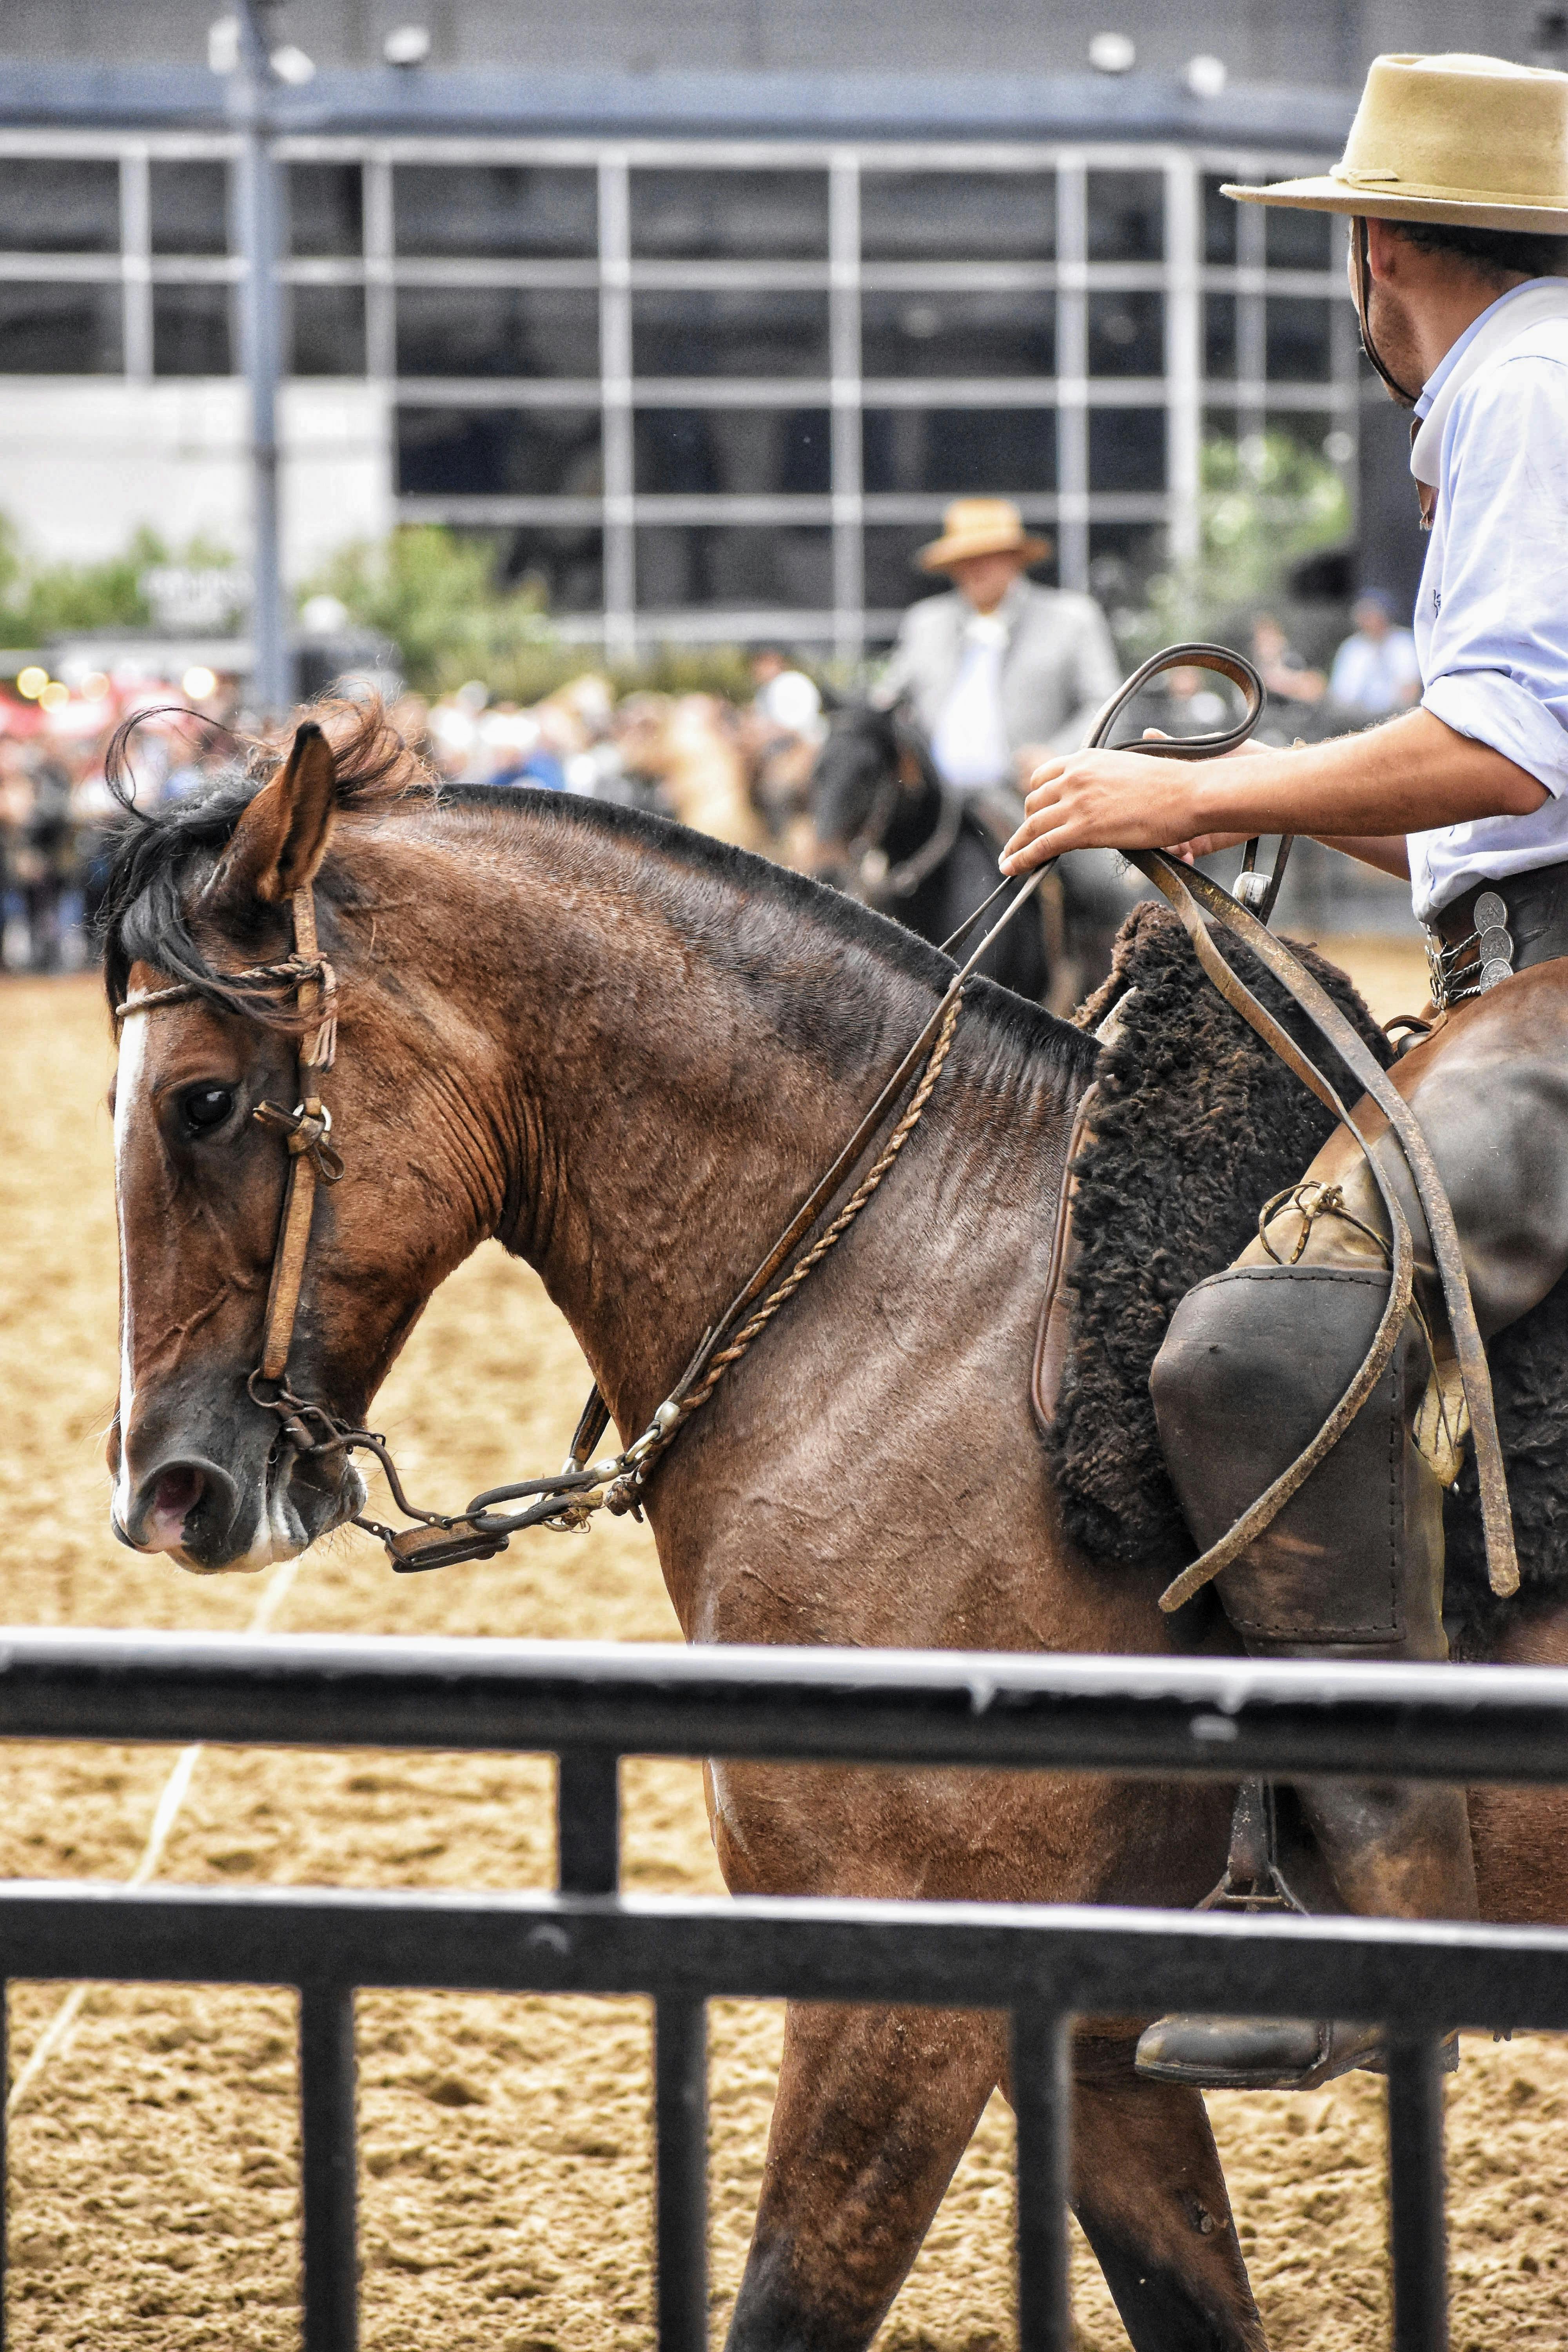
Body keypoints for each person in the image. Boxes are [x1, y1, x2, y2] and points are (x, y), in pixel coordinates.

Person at [1001, 49, 1568, 2091]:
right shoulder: (1517, 379)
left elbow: (1513, 753)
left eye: (1347, 231)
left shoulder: (1519, 380)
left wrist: (1224, 775)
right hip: (1521, 959)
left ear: (1378, 242)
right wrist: (1206, 806)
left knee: (1251, 1353)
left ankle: (1366, 1921)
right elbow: (1476, 815)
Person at [877, 498, 1121, 795]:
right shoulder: (925, 624)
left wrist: (1058, 757)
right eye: (963, 559)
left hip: (1033, 803)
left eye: (986, 556)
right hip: (938, 809)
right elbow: (887, 703)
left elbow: (1108, 707)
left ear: (1015, 559)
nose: (973, 569)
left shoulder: (1071, 620)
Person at [1328, 586, 1423, 717]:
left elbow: (1411, 689)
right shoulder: (1352, 648)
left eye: (1373, 613)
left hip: (1396, 715)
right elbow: (1341, 694)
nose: (1369, 620)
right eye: (1364, 614)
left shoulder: (1404, 643)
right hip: (1357, 717)